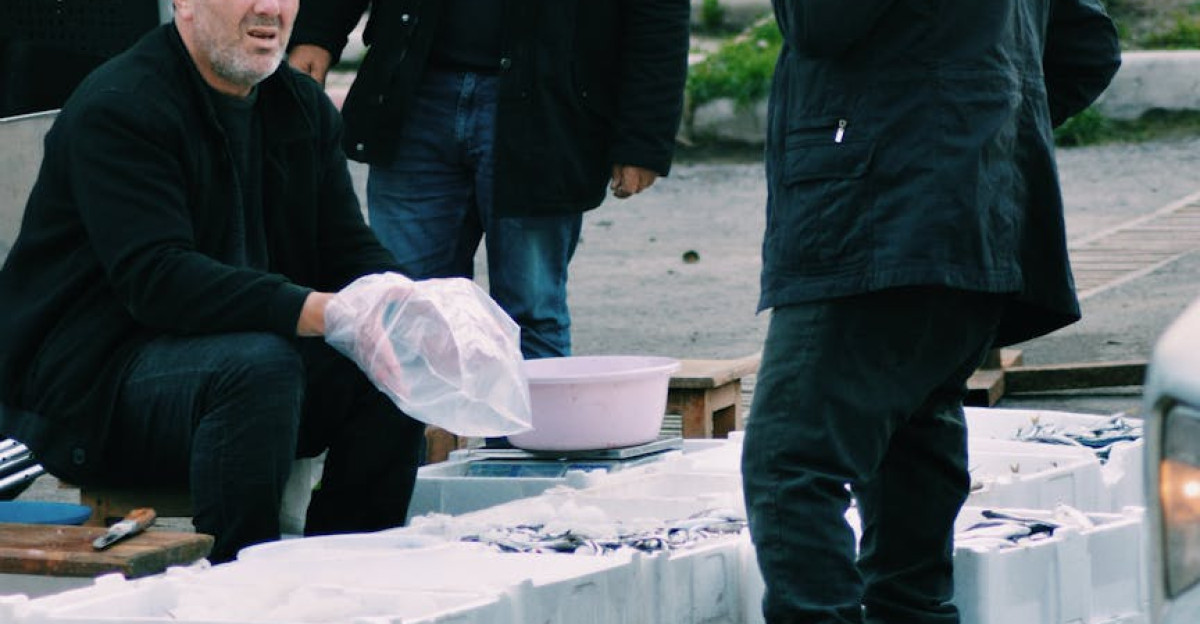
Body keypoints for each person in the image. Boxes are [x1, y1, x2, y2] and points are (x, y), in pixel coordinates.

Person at [0, 0, 427, 564]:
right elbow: (158, 279)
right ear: (183, 5)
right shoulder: (122, 105)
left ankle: (345, 568)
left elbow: (346, 248)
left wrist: (406, 305)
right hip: (96, 385)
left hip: (235, 367)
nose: (269, 9)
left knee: (390, 365)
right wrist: (318, 310)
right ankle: (237, 579)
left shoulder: (298, 104)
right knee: (258, 365)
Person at [741, 2, 1121, 623]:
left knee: (792, 462)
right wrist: (981, 128)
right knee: (912, 449)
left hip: (876, 209)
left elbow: (820, 23)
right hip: (973, 211)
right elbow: (1088, 44)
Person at [286, 0, 690, 360]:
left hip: (548, 106)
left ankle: (531, 447)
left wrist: (643, 138)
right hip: (414, 94)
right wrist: (317, 33)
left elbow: (658, 12)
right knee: (403, 306)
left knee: (530, 313)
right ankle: (409, 448)